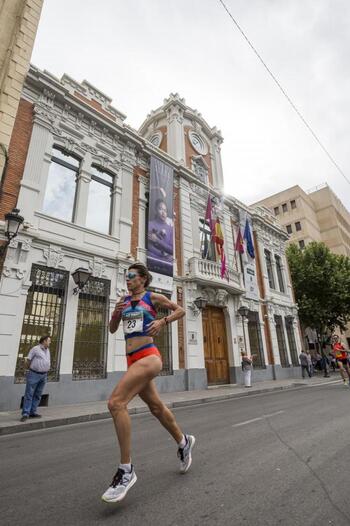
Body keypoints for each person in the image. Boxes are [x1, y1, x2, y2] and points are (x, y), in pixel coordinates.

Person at [102, 263, 195, 504]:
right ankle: (184, 441)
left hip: (149, 356)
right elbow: (112, 330)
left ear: (143, 279)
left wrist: (163, 322)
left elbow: (180, 310)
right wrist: (115, 312)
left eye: (132, 276)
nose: (128, 280)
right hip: (132, 361)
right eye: (126, 277)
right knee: (156, 408)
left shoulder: (152, 297)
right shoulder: (123, 301)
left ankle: (126, 470)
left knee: (116, 403)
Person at [20, 335, 51, 422]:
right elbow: (28, 360)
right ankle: (25, 413)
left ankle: (32, 412)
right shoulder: (35, 349)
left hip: (43, 375)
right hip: (34, 374)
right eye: (49, 341)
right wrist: (26, 371)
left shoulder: (47, 350)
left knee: (38, 394)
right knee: (29, 394)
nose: (50, 342)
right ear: (44, 341)